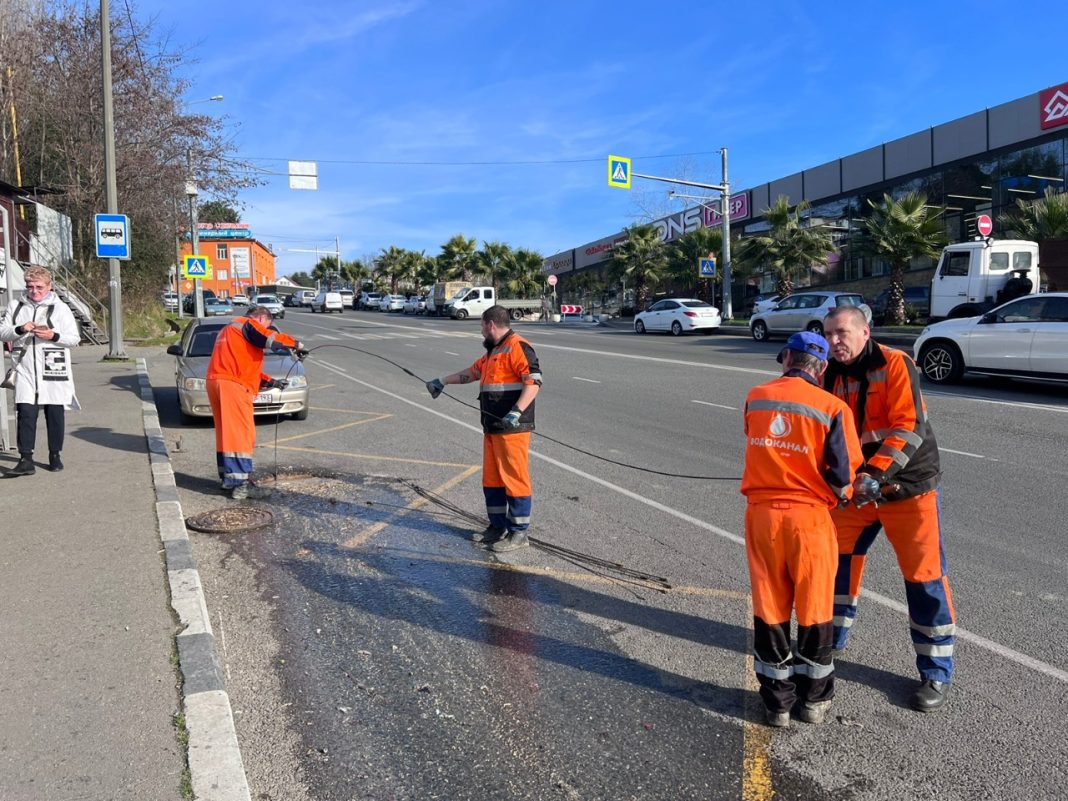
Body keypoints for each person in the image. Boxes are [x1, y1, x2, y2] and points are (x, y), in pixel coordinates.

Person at [822, 305, 955, 712]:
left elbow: (908, 425)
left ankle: (935, 673)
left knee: (924, 577)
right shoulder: (828, 372)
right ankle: (831, 640)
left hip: (905, 489)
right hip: (857, 492)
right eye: (827, 334)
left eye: (841, 333)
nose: (834, 342)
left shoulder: (896, 364)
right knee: (836, 563)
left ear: (865, 332)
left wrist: (875, 476)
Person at [741, 331, 864, 728]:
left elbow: (758, 442)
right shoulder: (833, 407)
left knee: (769, 607)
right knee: (814, 608)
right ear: (823, 367)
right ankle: (813, 701)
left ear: (786, 359)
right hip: (808, 521)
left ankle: (777, 704)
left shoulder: (756, 396)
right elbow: (844, 477)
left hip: (762, 517)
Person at [425, 305, 542, 552]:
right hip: (492, 426)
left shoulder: (518, 346)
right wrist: (443, 381)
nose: (480, 331)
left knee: (514, 477)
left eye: (481, 326)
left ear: (490, 324)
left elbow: (533, 382)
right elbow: (472, 372)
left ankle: (519, 533)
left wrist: (516, 412)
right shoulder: (493, 351)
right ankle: (497, 526)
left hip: (513, 427)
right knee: (493, 479)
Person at [206, 305, 305, 499]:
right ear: (261, 319)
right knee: (242, 433)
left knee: (227, 432)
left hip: (216, 381)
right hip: (233, 385)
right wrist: (297, 344)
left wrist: (272, 382)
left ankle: (229, 478)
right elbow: (270, 339)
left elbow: (242, 366)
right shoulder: (247, 324)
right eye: (268, 324)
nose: (267, 328)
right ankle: (240, 485)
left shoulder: (229, 330)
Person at [0, 266, 81, 476]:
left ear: (49, 286)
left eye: (39, 287)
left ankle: (55, 455)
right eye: (30, 287)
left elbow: (73, 338)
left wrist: (52, 336)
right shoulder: (16, 305)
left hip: (53, 367)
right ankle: (26, 458)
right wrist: (20, 329)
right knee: (25, 413)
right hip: (25, 367)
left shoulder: (60, 307)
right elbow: (3, 332)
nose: (34, 291)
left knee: (54, 413)